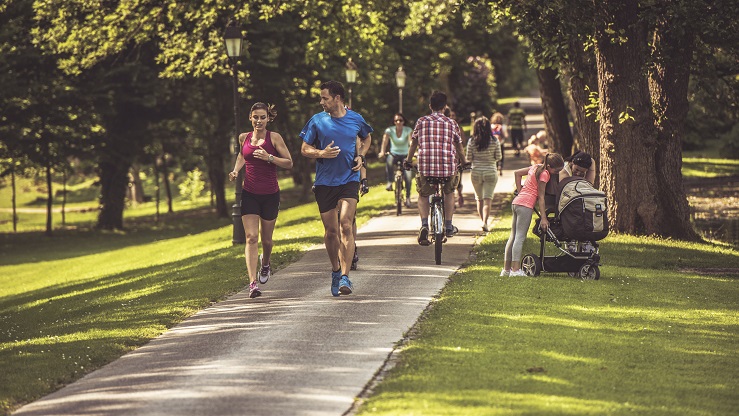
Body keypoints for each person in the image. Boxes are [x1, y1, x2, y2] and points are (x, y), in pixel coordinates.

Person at [300, 80, 372, 297]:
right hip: (325, 182)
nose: (321, 102)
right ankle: (335, 269)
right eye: (321, 98)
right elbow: (304, 148)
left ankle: (345, 276)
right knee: (331, 232)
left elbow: (367, 137)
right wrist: (321, 153)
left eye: (325, 98)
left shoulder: (355, 118)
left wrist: (361, 156)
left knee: (346, 224)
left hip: (349, 178)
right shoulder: (317, 120)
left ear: (337, 98)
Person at [228, 102, 294, 298]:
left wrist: (269, 157)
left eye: (262, 117)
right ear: (250, 118)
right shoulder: (244, 137)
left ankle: (265, 264)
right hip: (249, 193)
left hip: (270, 195)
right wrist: (236, 170)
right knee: (251, 237)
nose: (259, 121)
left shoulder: (274, 138)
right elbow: (242, 155)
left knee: (266, 240)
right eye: (255, 117)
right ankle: (252, 284)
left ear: (268, 119)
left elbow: (289, 163)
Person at [406, 91, 468, 244]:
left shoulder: (421, 121)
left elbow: (413, 144)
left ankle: (424, 225)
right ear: (445, 107)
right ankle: (448, 225)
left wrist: (408, 160)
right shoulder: (451, 123)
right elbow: (459, 146)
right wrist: (464, 161)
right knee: (449, 192)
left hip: (426, 167)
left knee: (423, 195)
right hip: (447, 168)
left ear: (430, 106)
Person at [502, 153, 564, 277]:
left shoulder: (535, 167)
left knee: (513, 237)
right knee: (520, 237)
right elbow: (541, 198)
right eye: (556, 171)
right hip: (525, 205)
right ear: (549, 166)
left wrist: (520, 191)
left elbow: (517, 173)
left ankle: (506, 270)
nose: (557, 173)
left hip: (516, 203)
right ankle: (515, 270)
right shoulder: (545, 174)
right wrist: (544, 218)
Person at [466, 116, 502, 232]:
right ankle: (485, 222)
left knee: (479, 199)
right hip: (490, 171)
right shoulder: (494, 140)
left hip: (476, 172)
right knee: (488, 199)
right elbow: (498, 157)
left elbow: (468, 158)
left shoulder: (472, 141)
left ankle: (482, 222)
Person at [378, 113, 413, 207]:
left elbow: (411, 142)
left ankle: (408, 197)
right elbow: (385, 141)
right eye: (396, 120)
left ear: (403, 121)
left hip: (405, 155)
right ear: (394, 122)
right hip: (394, 154)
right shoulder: (389, 130)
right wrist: (382, 152)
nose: (398, 122)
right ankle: (390, 182)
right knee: (389, 161)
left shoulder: (408, 130)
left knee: (408, 176)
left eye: (400, 120)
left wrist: (413, 152)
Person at [447, 108, 466, 207]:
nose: (451, 117)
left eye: (453, 116)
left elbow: (463, 142)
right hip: (447, 158)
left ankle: (459, 194)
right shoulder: (444, 127)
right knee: (449, 181)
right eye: (450, 115)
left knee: (458, 179)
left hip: (457, 158)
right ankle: (452, 199)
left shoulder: (459, 128)